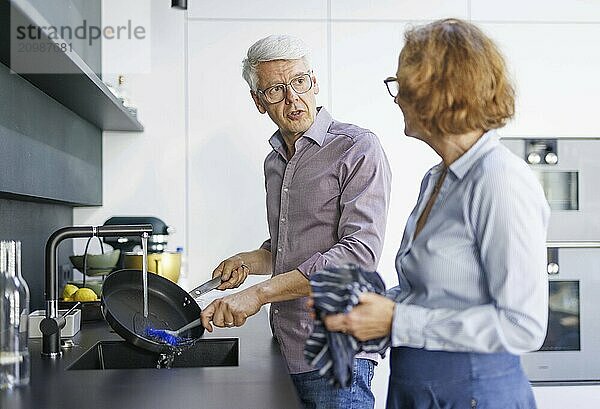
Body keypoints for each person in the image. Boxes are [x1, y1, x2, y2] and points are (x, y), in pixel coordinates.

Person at [322, 19, 550, 408]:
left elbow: (522, 326)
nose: (396, 99)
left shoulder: (500, 181)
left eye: (402, 87)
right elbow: (430, 295)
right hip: (420, 389)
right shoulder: (437, 178)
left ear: (437, 94)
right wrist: (369, 310)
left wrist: (396, 320)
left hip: (473, 395)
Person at [200, 34, 392, 408]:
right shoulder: (274, 161)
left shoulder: (357, 147)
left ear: (315, 82)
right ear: (259, 102)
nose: (292, 99)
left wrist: (258, 294)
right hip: (285, 345)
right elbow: (290, 248)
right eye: (275, 90)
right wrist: (250, 261)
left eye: (300, 82)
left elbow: (358, 255)